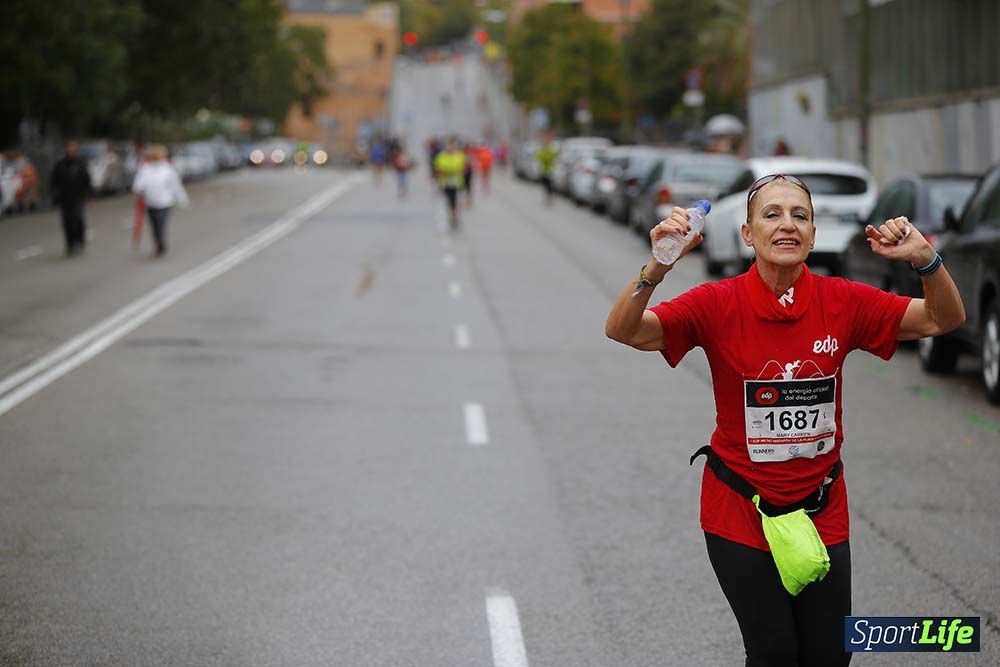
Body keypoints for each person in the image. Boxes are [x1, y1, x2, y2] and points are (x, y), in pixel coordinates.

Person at [605, 174, 965, 666]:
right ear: (748, 234)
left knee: (831, 654)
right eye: (772, 214)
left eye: (800, 215)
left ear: (814, 235)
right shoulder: (717, 303)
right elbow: (624, 330)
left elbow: (942, 319)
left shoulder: (843, 301)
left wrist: (927, 259)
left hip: (821, 508)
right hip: (740, 510)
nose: (787, 225)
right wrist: (657, 265)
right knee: (774, 652)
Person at [131, 144, 189, 257]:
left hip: (164, 203)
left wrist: (182, 200)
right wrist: (139, 189)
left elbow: (176, 185)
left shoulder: (167, 169)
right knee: (154, 226)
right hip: (151, 203)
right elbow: (137, 185)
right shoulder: (145, 169)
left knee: (160, 224)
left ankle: (160, 243)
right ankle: (158, 243)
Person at [49, 139, 92, 256]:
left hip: (78, 197)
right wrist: (55, 195)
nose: (71, 150)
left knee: (77, 219)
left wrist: (88, 193)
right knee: (67, 222)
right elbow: (54, 181)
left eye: (73, 147)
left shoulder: (80, 163)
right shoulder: (60, 164)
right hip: (65, 198)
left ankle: (79, 239)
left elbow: (87, 180)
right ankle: (70, 244)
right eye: (69, 147)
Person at [433, 138, 466, 230]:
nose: (451, 147)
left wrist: (457, 171)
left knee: (455, 200)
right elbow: (436, 168)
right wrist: (444, 172)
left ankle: (455, 216)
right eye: (449, 145)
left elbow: (464, 167)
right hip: (445, 182)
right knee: (449, 201)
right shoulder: (441, 156)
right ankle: (452, 214)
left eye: (452, 145)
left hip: (457, 182)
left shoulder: (460, 156)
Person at [535, 131, 558, 206]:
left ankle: (549, 198)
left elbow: (555, 156)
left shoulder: (552, 147)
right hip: (544, 170)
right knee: (545, 185)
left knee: (550, 186)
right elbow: (538, 156)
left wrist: (548, 157)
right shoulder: (543, 147)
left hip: (551, 170)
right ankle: (547, 197)